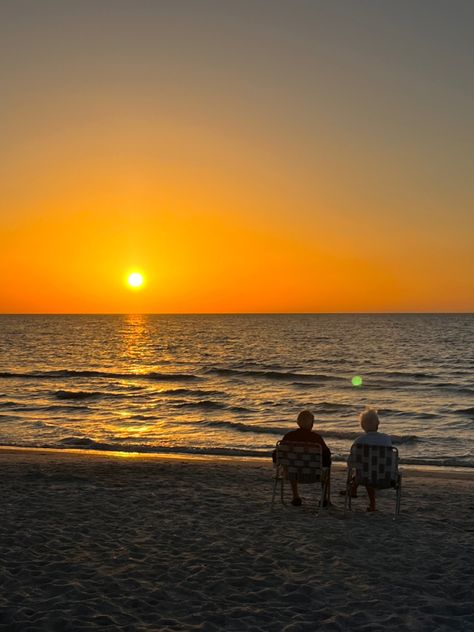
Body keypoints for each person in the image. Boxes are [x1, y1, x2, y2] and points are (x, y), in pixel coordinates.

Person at [275, 410, 331, 507]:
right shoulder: (316, 438)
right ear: (312, 424)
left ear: (298, 422)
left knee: (291, 464)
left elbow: (277, 455)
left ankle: (295, 496)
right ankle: (324, 498)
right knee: (328, 467)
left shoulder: (289, 436)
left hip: (292, 474)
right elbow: (326, 458)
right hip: (314, 475)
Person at [346, 407, 392, 512]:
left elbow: (350, 463)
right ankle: (371, 504)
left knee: (366, 470)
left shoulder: (359, 442)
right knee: (371, 468)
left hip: (364, 478)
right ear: (378, 424)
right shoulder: (386, 439)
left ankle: (354, 489)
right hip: (386, 478)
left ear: (362, 426)